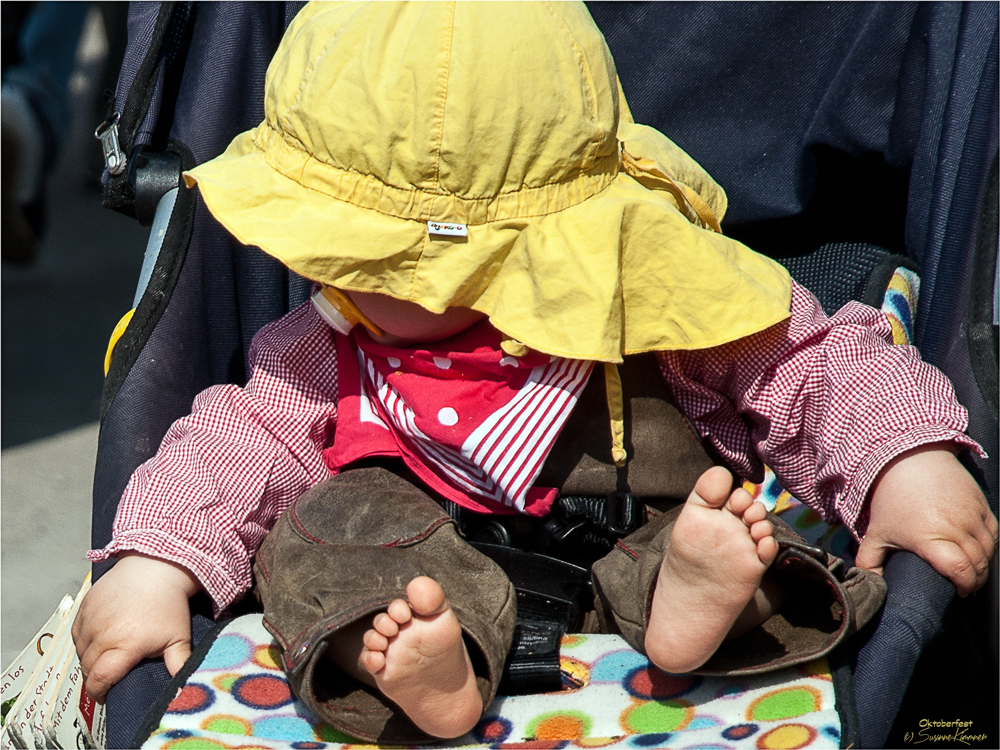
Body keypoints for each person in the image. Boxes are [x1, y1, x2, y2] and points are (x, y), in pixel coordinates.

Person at [72, 2, 998, 743]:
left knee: (721, 520)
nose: (322, 270)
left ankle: (698, 597)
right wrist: (158, 561)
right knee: (320, 540)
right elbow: (232, 443)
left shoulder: (648, 290)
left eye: (356, 252)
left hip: (637, 534)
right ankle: (424, 662)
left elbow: (808, 360)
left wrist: (899, 457)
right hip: (416, 567)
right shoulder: (330, 335)